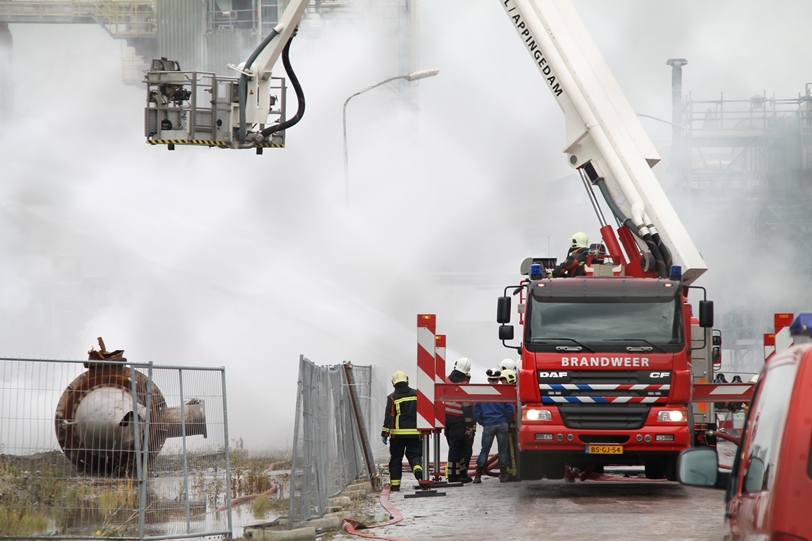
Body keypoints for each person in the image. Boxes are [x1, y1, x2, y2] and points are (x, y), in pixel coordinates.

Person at [381, 370, 423, 491]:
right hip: (415, 433)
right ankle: (418, 470)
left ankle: (395, 485)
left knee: (396, 458)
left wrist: (385, 433)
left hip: (397, 435)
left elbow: (389, 417)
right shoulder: (417, 395)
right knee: (414, 455)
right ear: (407, 380)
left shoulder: (392, 397)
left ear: (393, 383)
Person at [472, 369, 516, 483]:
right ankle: (503, 475)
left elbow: (476, 410)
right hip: (502, 424)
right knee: (503, 450)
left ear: (488, 379)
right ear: (498, 379)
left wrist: (483, 421)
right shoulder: (503, 391)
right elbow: (510, 409)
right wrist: (506, 420)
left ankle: (477, 475)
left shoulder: (482, 393)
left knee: (484, 451)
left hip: (488, 425)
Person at [444, 358, 475, 483]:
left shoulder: (446, 380)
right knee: (457, 448)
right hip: (459, 420)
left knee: (458, 447)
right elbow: (467, 408)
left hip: (446, 418)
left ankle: (462, 473)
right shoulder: (464, 386)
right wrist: (470, 427)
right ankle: (453, 476)